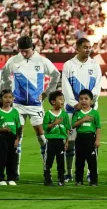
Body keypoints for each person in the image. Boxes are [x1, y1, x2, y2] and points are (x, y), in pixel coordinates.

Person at [0, 35, 60, 180]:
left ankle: (47, 170)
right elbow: (5, 75)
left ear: (33, 48)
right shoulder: (14, 60)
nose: (24, 54)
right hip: (18, 105)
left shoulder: (42, 61)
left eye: (26, 51)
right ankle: (16, 172)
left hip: (35, 105)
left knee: (42, 136)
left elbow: (55, 74)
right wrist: (8, 94)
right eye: (21, 51)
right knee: (16, 138)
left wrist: (47, 93)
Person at [62, 38, 102, 182]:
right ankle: (69, 172)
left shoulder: (95, 64)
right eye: (85, 47)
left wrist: (90, 103)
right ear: (77, 48)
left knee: (91, 142)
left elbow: (98, 84)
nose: (88, 50)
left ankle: (91, 172)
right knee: (70, 141)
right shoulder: (68, 65)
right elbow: (65, 86)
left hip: (90, 110)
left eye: (90, 47)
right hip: (72, 110)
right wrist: (74, 103)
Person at [72, 89, 101, 186]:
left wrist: (97, 140)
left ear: (91, 101)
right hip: (80, 138)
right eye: (81, 99)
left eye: (86, 99)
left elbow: (98, 127)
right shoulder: (77, 113)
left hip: (90, 138)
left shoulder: (95, 113)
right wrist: (83, 119)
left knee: (92, 161)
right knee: (79, 160)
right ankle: (79, 180)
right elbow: (73, 125)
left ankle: (93, 180)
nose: (83, 101)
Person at [42, 91, 71, 186]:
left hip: (61, 141)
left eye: (63, 99)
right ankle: (47, 178)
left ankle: (61, 179)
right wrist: (54, 123)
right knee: (49, 160)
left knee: (61, 161)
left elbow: (67, 128)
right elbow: (45, 127)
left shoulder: (64, 115)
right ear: (53, 101)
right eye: (60, 99)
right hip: (50, 141)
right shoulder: (48, 114)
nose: (62, 101)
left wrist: (67, 141)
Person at [0, 89, 21, 186]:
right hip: (2, 137)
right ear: (1, 99)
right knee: (2, 157)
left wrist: (17, 139)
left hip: (12, 137)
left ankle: (11, 178)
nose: (8, 99)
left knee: (12, 158)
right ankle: (1, 178)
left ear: (13, 99)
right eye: (5, 97)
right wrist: (2, 130)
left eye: (10, 97)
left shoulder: (15, 112)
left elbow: (18, 127)